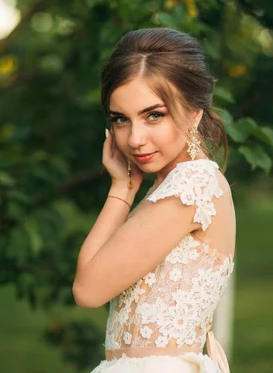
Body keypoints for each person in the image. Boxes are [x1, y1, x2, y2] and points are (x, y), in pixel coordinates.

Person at [73, 27, 236, 373]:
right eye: (120, 119)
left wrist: (120, 191)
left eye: (154, 115)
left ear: (194, 112)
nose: (134, 139)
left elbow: (88, 289)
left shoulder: (193, 185)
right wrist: (125, 186)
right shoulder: (167, 187)